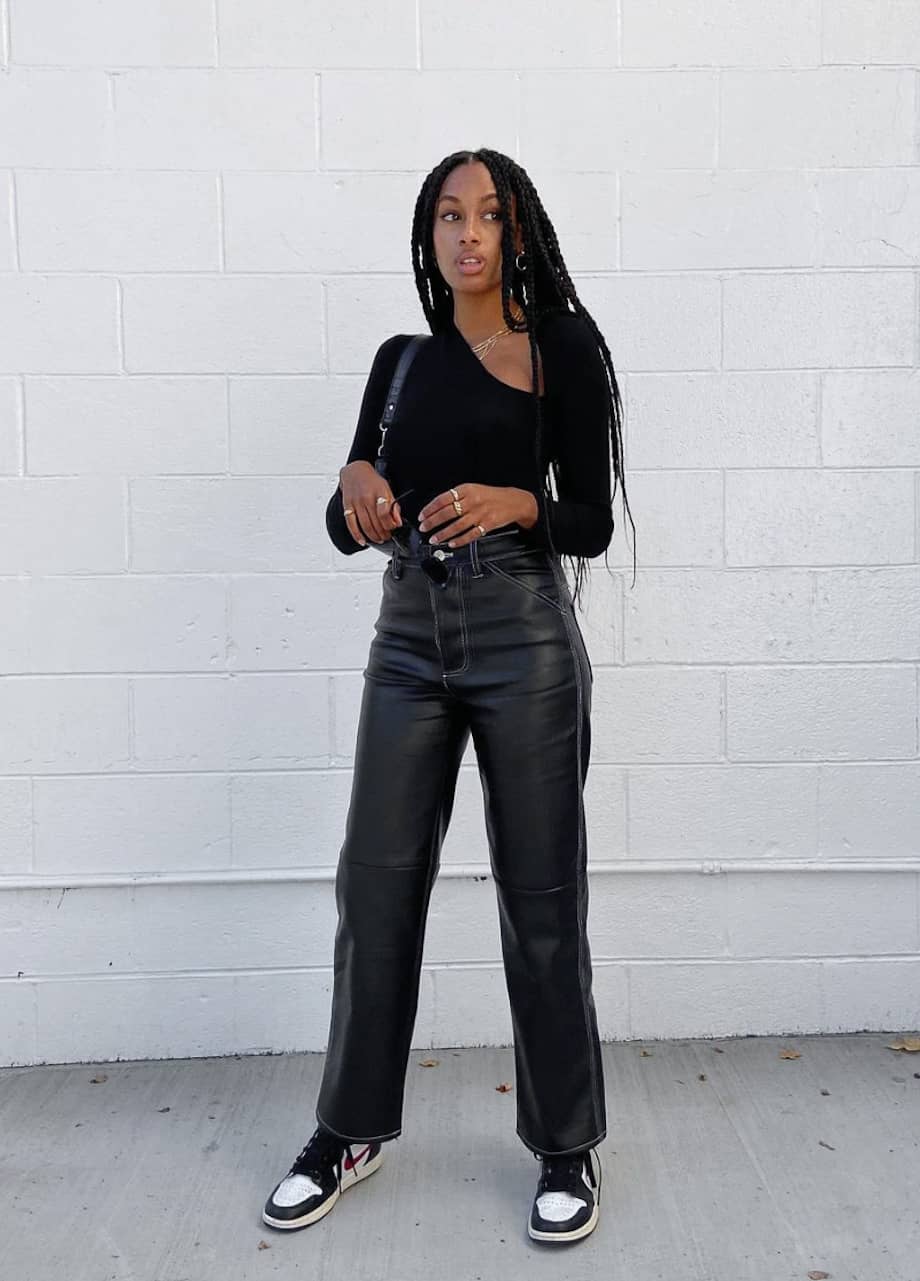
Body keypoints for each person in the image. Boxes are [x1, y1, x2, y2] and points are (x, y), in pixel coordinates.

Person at [262, 147, 636, 1245]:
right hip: (406, 641)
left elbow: (590, 524)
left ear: (519, 234)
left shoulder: (562, 347)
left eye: (489, 215)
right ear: (428, 239)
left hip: (521, 637)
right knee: (372, 889)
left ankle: (564, 1146)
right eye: (446, 216)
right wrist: (354, 484)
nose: (467, 233)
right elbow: (347, 520)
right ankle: (346, 1130)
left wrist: (522, 496)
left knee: (538, 900)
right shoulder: (396, 362)